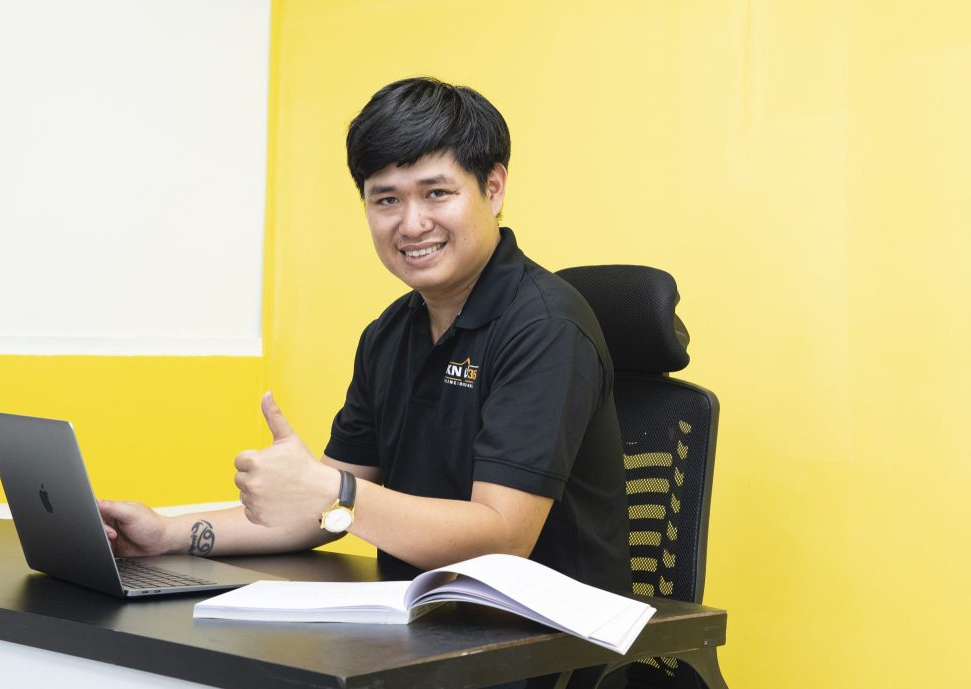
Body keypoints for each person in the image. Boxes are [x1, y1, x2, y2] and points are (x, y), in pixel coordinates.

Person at [99, 77, 629, 595]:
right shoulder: (389, 334)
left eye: (436, 193)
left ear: (492, 188)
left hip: (551, 636)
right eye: (386, 200)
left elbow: (503, 537)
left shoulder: (546, 327)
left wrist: (336, 492)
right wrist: (166, 533)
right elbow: (321, 511)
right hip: (421, 621)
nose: (412, 224)